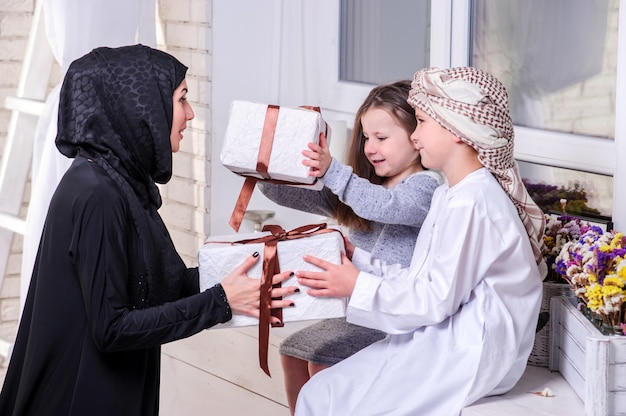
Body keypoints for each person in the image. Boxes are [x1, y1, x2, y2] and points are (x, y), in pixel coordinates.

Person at [0, 45, 297, 416]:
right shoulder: (98, 196)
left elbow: (154, 285)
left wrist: (240, 274)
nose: (189, 115)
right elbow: (112, 328)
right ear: (141, 107)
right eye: (182, 99)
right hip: (80, 398)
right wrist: (220, 301)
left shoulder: (117, 180)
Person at [294, 66, 547, 415]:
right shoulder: (452, 194)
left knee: (330, 397)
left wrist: (357, 285)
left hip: (469, 351)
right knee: (321, 392)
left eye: (423, 122)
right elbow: (423, 278)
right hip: (447, 334)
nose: (415, 135)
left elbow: (433, 300)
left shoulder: (474, 202)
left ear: (459, 129)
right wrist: (360, 262)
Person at [258, 80, 442, 414]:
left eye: (382, 138)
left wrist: (335, 173)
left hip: (392, 315)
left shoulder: (425, 189)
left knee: (323, 364)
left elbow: (386, 206)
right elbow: (282, 193)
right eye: (367, 137)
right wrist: (276, 154)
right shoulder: (360, 190)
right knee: (293, 351)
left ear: (417, 139)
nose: (370, 148)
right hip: (358, 310)